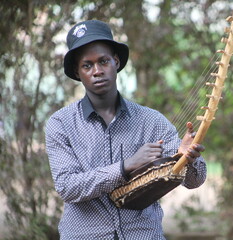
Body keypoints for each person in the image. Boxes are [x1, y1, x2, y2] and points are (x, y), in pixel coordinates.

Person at [45, 20, 207, 239]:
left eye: (103, 61)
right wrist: (126, 166)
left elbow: (194, 181)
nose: (97, 71)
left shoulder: (152, 121)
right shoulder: (61, 124)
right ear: (77, 71)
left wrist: (187, 157)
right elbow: (68, 186)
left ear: (116, 61)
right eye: (87, 65)